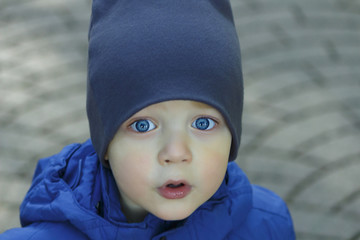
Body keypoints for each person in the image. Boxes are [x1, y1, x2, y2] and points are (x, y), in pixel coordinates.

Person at [0, 0, 295, 239]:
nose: (176, 153)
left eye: (203, 123)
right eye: (143, 125)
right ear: (105, 138)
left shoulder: (268, 224)